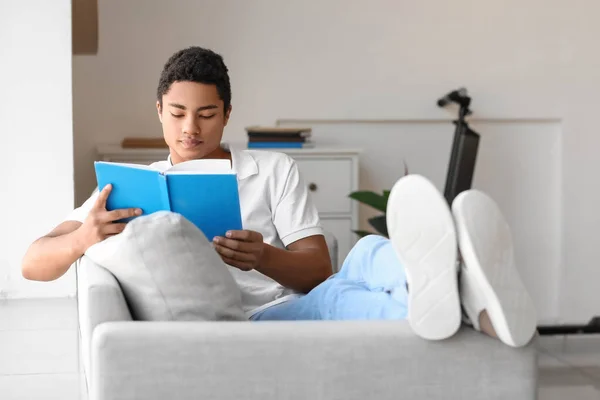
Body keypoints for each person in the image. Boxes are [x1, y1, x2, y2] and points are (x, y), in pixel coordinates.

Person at [21, 46, 537, 347]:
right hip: (253, 322)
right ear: (159, 110)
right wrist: (83, 236)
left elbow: (316, 270)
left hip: (292, 301)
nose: (190, 128)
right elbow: (31, 264)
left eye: (205, 114)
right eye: (177, 113)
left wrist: (263, 256)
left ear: (226, 113)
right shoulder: (128, 183)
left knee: (365, 254)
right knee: (342, 298)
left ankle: (461, 284)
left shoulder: (270, 168)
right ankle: (475, 301)